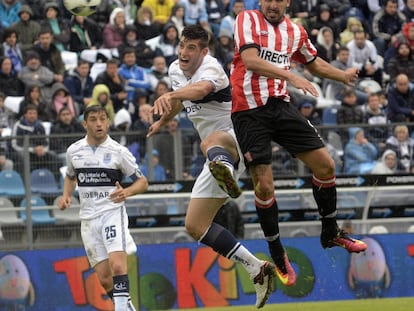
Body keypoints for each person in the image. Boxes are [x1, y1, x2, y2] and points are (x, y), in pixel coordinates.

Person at [230, 0, 367, 287]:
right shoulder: (247, 20)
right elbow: (252, 61)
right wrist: (291, 75)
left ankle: (331, 232)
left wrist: (342, 76)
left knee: (326, 165)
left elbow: (313, 62)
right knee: (264, 186)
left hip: (280, 105)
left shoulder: (295, 31)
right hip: (248, 110)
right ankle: (277, 251)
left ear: (287, 2)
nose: (271, 4)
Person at [148, 24, 276, 308]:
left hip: (237, 135)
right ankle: (256, 267)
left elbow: (202, 89)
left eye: (191, 47)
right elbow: (181, 102)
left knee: (210, 143)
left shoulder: (212, 68)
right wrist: (163, 120)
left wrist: (172, 96)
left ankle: (224, 167)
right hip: (216, 150)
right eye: (182, 45)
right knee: (195, 225)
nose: (184, 52)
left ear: (203, 51)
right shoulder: (174, 70)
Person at [58, 105, 148, 311]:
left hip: (111, 213)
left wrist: (127, 192)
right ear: (84, 124)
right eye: (93, 119)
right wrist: (66, 196)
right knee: (105, 279)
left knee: (117, 266)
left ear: (108, 122)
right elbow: (71, 177)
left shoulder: (119, 152)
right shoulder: (74, 151)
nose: (98, 123)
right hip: (88, 220)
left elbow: (142, 182)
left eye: (102, 119)